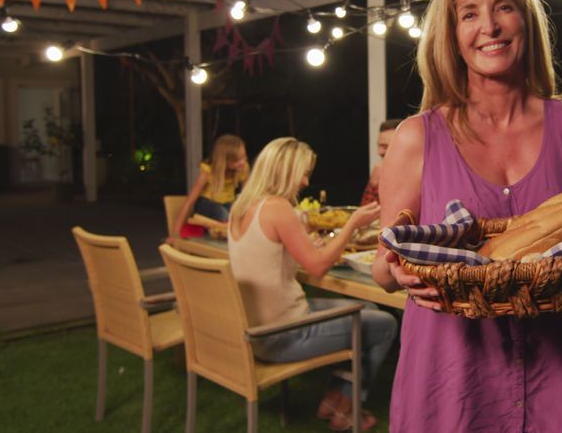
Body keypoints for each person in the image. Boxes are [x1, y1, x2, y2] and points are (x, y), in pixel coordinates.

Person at [371, 0, 562, 432]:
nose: (490, 26)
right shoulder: (417, 137)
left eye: (504, 7)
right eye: (470, 13)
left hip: (550, 374)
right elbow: (382, 267)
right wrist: (402, 271)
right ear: (452, 34)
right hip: (449, 382)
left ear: (526, 19)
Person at [228, 137, 394, 431]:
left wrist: (308, 246)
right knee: (385, 325)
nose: (305, 181)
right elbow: (317, 269)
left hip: (256, 328)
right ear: (286, 171)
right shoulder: (278, 208)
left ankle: (333, 398)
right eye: (303, 173)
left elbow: (270, 258)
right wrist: (351, 226)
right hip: (282, 334)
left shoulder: (242, 207)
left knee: (366, 307)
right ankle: (346, 409)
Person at [173, 134, 250, 235]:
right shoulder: (208, 172)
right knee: (223, 214)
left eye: (244, 157)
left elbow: (247, 196)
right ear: (225, 161)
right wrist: (174, 233)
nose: (243, 162)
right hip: (206, 204)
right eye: (237, 160)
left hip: (228, 203)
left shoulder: (243, 169)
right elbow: (189, 202)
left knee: (239, 213)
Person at [360, 118, 403, 205]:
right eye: (379, 146)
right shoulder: (379, 171)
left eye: (385, 146)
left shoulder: (418, 176)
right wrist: (374, 185)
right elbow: (367, 211)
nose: (379, 152)